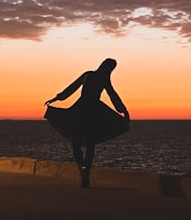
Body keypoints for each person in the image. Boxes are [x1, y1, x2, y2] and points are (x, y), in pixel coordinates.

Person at [44, 58, 129, 188]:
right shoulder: (93, 76)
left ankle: (84, 170)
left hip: (86, 109)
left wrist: (123, 110)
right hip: (89, 109)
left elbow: (113, 95)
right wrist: (56, 98)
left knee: (80, 142)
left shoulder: (94, 76)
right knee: (86, 142)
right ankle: (84, 170)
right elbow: (72, 88)